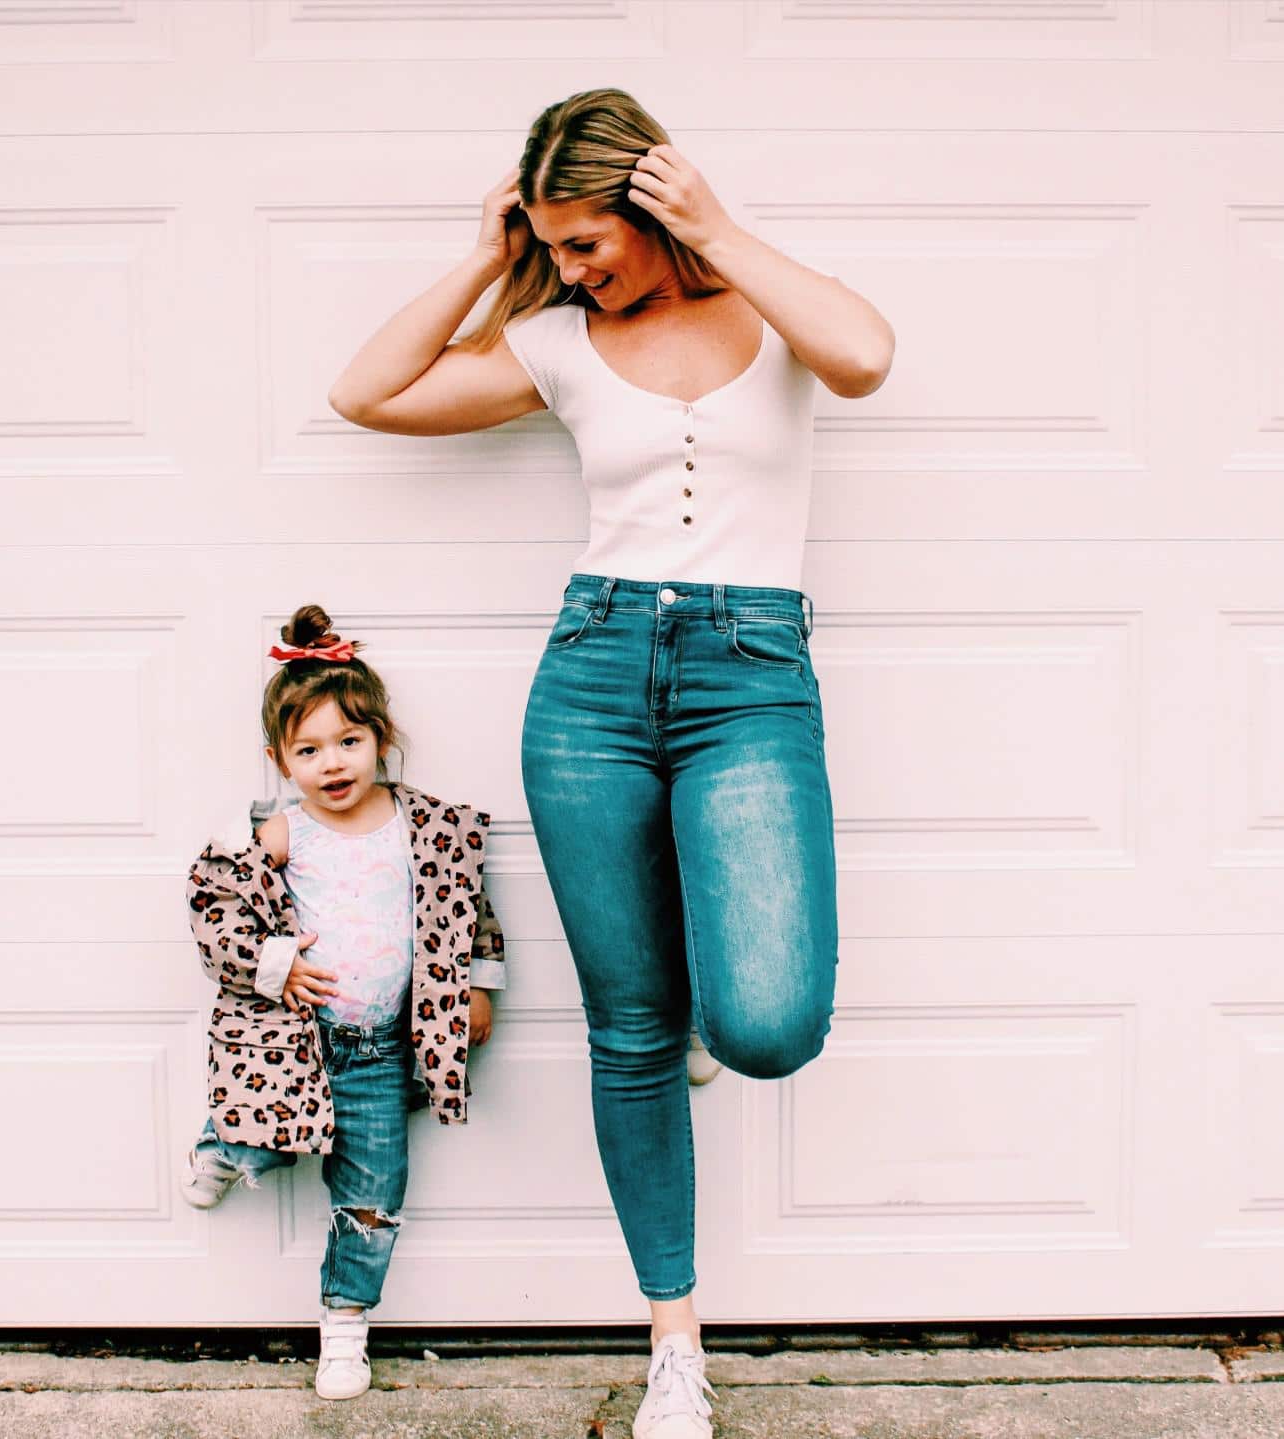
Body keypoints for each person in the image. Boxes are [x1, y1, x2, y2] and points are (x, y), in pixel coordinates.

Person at [326, 87, 895, 1439]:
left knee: (765, 1022)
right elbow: (364, 392)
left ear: (651, 204)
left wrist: (718, 226)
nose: (571, 266)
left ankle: (700, 995)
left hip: (748, 676)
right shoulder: (557, 339)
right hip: (588, 676)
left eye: (588, 239)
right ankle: (673, 1342)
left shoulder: (770, 307)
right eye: (554, 244)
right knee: (626, 1029)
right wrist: (489, 254)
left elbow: (866, 355)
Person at [180, 603, 506, 1402]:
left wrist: (475, 985)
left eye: (349, 742)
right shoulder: (280, 832)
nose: (333, 763)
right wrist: (273, 964)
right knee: (263, 1138)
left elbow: (472, 906)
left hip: (379, 1051)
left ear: (381, 738)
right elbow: (212, 903)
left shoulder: (422, 827)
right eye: (309, 748)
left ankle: (345, 1323)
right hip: (296, 1039)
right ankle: (226, 1141)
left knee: (371, 1193)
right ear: (278, 758)